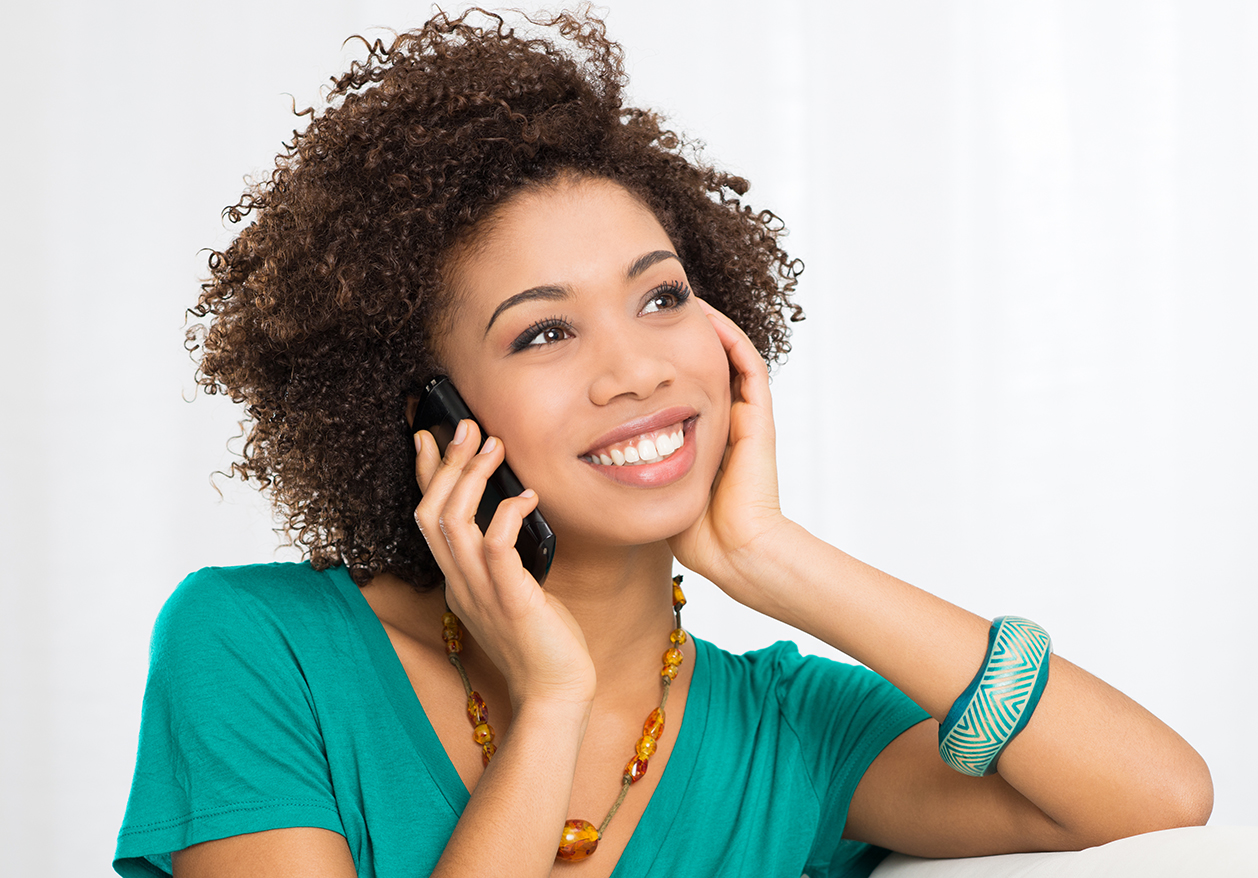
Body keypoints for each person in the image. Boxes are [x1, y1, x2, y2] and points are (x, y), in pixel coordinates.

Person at [115, 9, 1212, 878]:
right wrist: (553, 700)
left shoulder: (789, 730)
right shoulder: (260, 649)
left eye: (660, 297)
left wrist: (772, 554)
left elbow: (1155, 795)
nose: (636, 368)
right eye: (543, 330)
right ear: (423, 410)